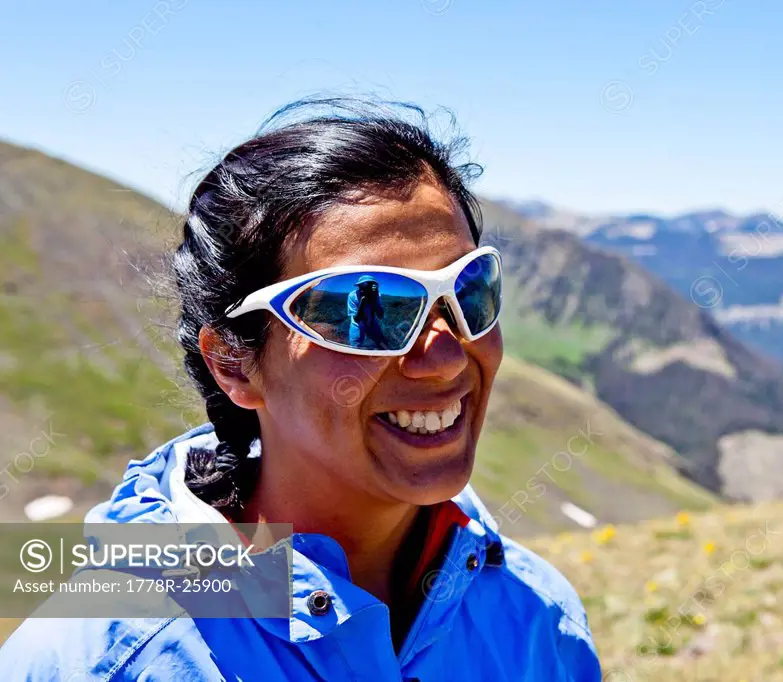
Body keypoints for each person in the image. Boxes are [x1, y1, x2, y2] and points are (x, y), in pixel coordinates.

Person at [0, 99, 601, 680]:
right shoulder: (97, 661)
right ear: (234, 364)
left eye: (470, 288)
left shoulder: (537, 619)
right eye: (364, 308)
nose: (444, 358)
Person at [348, 275, 387, 349]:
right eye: (361, 286)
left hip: (372, 321)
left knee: (382, 343)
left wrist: (374, 300)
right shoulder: (352, 296)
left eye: (367, 286)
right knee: (355, 346)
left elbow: (380, 315)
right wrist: (362, 303)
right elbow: (357, 319)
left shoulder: (376, 295)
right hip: (357, 324)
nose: (363, 289)